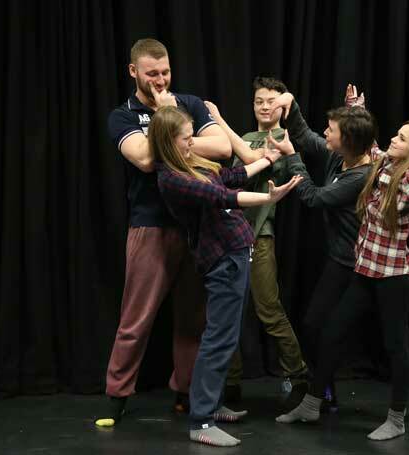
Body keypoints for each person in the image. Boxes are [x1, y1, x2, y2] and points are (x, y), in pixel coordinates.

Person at [275, 118, 409, 442]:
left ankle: (398, 417)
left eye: (402, 137)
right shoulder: (383, 162)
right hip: (366, 269)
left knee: (398, 344)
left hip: (393, 276)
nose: (394, 138)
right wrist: (355, 108)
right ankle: (311, 403)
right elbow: (370, 145)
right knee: (334, 332)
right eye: (397, 133)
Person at [96, 38, 231, 427]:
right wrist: (173, 129)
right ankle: (117, 397)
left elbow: (223, 148)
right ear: (133, 71)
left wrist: (171, 139)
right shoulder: (123, 115)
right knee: (136, 319)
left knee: (193, 319)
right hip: (150, 227)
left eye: (165, 72)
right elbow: (141, 158)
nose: (160, 80)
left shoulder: (188, 102)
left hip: (197, 226)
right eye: (152, 73)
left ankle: (186, 394)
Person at [151, 106, 302, 446]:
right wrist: (269, 196)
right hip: (222, 260)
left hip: (234, 254)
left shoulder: (189, 163)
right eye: (187, 139)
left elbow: (229, 178)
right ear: (169, 142)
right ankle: (201, 421)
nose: (194, 144)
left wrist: (266, 158)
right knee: (218, 339)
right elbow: (222, 197)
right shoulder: (172, 178)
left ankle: (213, 405)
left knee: (225, 337)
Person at [263, 86, 377, 411]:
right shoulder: (338, 157)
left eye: (332, 130)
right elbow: (304, 133)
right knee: (315, 327)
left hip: (356, 265)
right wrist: (290, 101)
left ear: (349, 141)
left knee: (392, 338)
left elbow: (312, 198)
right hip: (338, 260)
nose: (325, 132)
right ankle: (324, 391)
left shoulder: (360, 177)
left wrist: (291, 157)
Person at [204, 76, 309, 404]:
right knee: (230, 311)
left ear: (282, 106)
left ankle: (299, 376)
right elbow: (237, 171)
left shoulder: (282, 137)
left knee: (268, 309)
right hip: (231, 233)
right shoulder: (247, 136)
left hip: (259, 237)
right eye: (259, 101)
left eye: (272, 102)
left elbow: (251, 158)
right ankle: (231, 383)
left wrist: (219, 121)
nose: (265, 107)